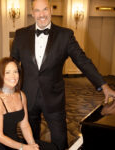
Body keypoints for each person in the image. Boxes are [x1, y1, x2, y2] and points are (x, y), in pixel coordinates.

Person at [10, 0, 115, 149]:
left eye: (45, 9)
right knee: (30, 138)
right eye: (37, 11)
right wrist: (7, 91)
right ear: (32, 13)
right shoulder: (20, 35)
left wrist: (103, 86)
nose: (42, 14)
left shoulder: (65, 35)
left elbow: (83, 62)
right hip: (28, 96)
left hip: (54, 98)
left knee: (60, 139)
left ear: (51, 10)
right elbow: (12, 64)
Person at [0, 57, 57, 150]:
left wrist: (32, 145)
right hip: (0, 145)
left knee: (51, 148)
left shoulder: (21, 95)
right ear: (0, 75)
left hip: (15, 141)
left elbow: (24, 125)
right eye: (7, 72)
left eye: (15, 71)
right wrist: (24, 147)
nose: (13, 76)